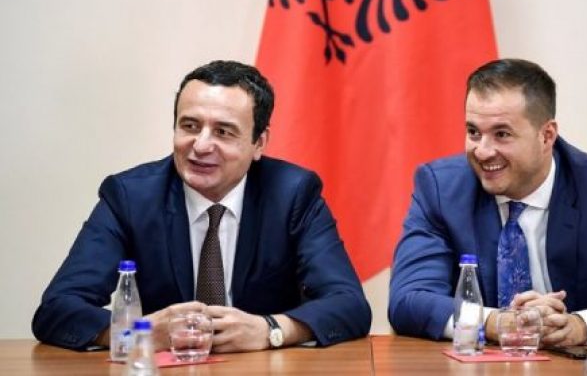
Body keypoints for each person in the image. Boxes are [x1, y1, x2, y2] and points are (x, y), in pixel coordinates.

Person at [33, 60, 371, 352]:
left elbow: (349, 304)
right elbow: (57, 309)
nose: (201, 145)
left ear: (259, 143)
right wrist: (139, 333)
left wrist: (270, 330)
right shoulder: (130, 197)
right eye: (190, 126)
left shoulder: (293, 194)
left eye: (223, 132)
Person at [388, 58, 587, 346]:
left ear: (546, 136)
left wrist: (581, 326)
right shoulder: (441, 188)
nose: (482, 151)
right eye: (473, 132)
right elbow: (408, 299)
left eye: (502, 134)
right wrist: (497, 322)